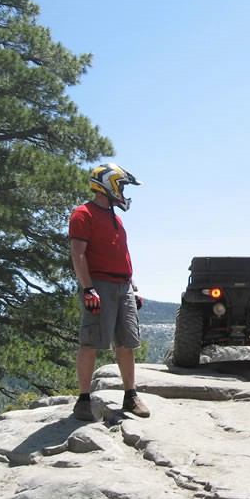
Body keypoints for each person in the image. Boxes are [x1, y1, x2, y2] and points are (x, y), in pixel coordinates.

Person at [69, 163, 150, 421]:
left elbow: (119, 253)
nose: (123, 191)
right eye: (122, 185)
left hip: (123, 285)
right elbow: (78, 254)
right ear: (109, 184)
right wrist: (88, 288)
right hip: (99, 285)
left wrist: (131, 282)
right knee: (91, 342)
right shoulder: (83, 214)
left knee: (127, 342)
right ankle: (83, 401)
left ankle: (131, 396)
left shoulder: (116, 218)